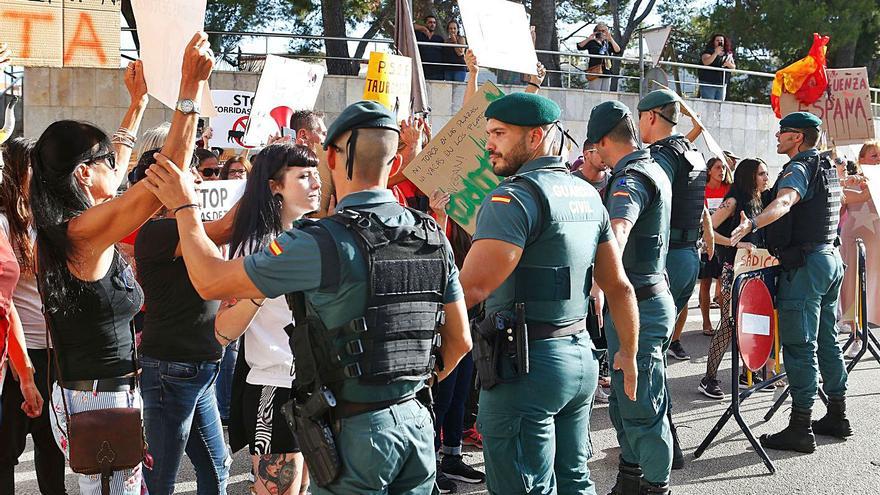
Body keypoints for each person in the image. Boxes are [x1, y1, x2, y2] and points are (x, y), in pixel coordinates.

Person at [140, 100, 472, 494]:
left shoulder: (319, 242)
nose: (313, 181)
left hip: (352, 425)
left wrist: (184, 205)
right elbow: (460, 341)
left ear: (330, 157)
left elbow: (212, 282)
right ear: (395, 164)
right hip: (414, 420)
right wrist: (406, 388)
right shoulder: (430, 235)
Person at [29, 34, 213, 494]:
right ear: (84, 174)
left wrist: (138, 102)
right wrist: (187, 91)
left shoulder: (72, 224)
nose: (120, 163)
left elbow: (121, 165)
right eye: (105, 160)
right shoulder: (83, 233)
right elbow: (160, 179)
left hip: (97, 394)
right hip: (100, 400)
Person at [459, 92, 640, 495]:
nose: (489, 143)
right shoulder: (587, 195)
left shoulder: (513, 198)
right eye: (488, 133)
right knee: (574, 480)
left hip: (526, 368)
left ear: (535, 136)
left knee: (524, 486)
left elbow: (470, 288)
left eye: (500, 134)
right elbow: (618, 285)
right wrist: (627, 351)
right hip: (577, 360)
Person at [729, 111, 850, 453]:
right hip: (828, 260)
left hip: (806, 267)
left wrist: (752, 224)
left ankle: (800, 426)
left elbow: (785, 201)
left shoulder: (799, 168)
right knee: (827, 341)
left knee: (799, 347)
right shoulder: (827, 167)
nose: (778, 137)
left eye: (783, 132)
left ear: (797, 138)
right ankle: (837, 415)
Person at [214, 143, 320, 495]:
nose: (315, 181)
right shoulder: (259, 245)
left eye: (315, 172)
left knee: (302, 488)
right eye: (303, 175)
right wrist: (262, 287)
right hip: (274, 383)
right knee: (277, 491)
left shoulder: (309, 236)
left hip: (311, 383)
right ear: (275, 186)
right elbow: (225, 326)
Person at [133, 150, 236, 494]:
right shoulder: (156, 232)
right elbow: (226, 228)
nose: (196, 177)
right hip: (171, 370)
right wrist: (269, 175)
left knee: (216, 467)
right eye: (188, 171)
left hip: (201, 367)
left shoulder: (183, 224)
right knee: (161, 478)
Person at [589, 100, 675, 494]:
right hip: (643, 299)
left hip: (637, 305)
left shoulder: (630, 179)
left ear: (606, 140)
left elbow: (620, 227)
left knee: (642, 408)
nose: (595, 153)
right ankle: (630, 480)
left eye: (596, 145)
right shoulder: (653, 164)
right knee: (627, 405)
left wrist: (600, 278)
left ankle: (655, 486)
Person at [0, 138, 57, 494]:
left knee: (52, 444)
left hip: (56, 353)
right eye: (38, 166)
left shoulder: (53, 215)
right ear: (21, 170)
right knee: (6, 449)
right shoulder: (5, 224)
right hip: (17, 354)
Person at [697, 158, 769, 399]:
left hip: (754, 270)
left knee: (749, 322)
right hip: (733, 271)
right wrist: (732, 241)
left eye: (766, 174)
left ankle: (748, 372)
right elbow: (706, 229)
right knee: (728, 324)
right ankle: (709, 378)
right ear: (749, 177)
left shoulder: (760, 200)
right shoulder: (733, 201)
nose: (765, 178)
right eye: (761, 174)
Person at [838, 141, 880, 358]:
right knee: (851, 285)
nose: (878, 160)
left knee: (876, 286)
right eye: (874, 156)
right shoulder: (850, 181)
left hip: (876, 241)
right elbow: (840, 204)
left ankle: (869, 332)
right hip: (853, 239)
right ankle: (855, 335)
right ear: (861, 159)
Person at [698, 157, 732, 336]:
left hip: (725, 241)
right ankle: (706, 322)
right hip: (706, 242)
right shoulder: (701, 190)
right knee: (705, 282)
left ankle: (724, 322)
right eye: (718, 167)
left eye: (724, 168)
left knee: (723, 282)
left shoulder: (729, 190)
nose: (722, 171)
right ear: (709, 171)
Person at [577, 22, 622, 92]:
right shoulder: (592, 42)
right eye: (599, 31)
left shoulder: (608, 43)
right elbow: (579, 46)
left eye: (603, 31)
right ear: (595, 32)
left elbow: (618, 51)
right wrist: (589, 38)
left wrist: (610, 39)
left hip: (606, 71)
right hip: (595, 71)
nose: (601, 32)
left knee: (605, 94)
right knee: (594, 94)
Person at [698, 34, 735, 101]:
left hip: (721, 83)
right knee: (709, 104)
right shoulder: (708, 52)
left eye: (721, 40)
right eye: (717, 40)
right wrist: (715, 53)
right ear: (713, 42)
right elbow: (706, 62)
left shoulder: (727, 53)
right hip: (708, 83)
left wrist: (728, 64)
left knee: (719, 105)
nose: (719, 42)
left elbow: (733, 67)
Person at [415, 15, 446, 81]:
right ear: (425, 23)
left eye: (434, 23)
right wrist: (424, 29)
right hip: (422, 71)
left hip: (438, 72)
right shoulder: (419, 35)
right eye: (430, 22)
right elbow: (409, 25)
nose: (432, 24)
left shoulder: (439, 38)